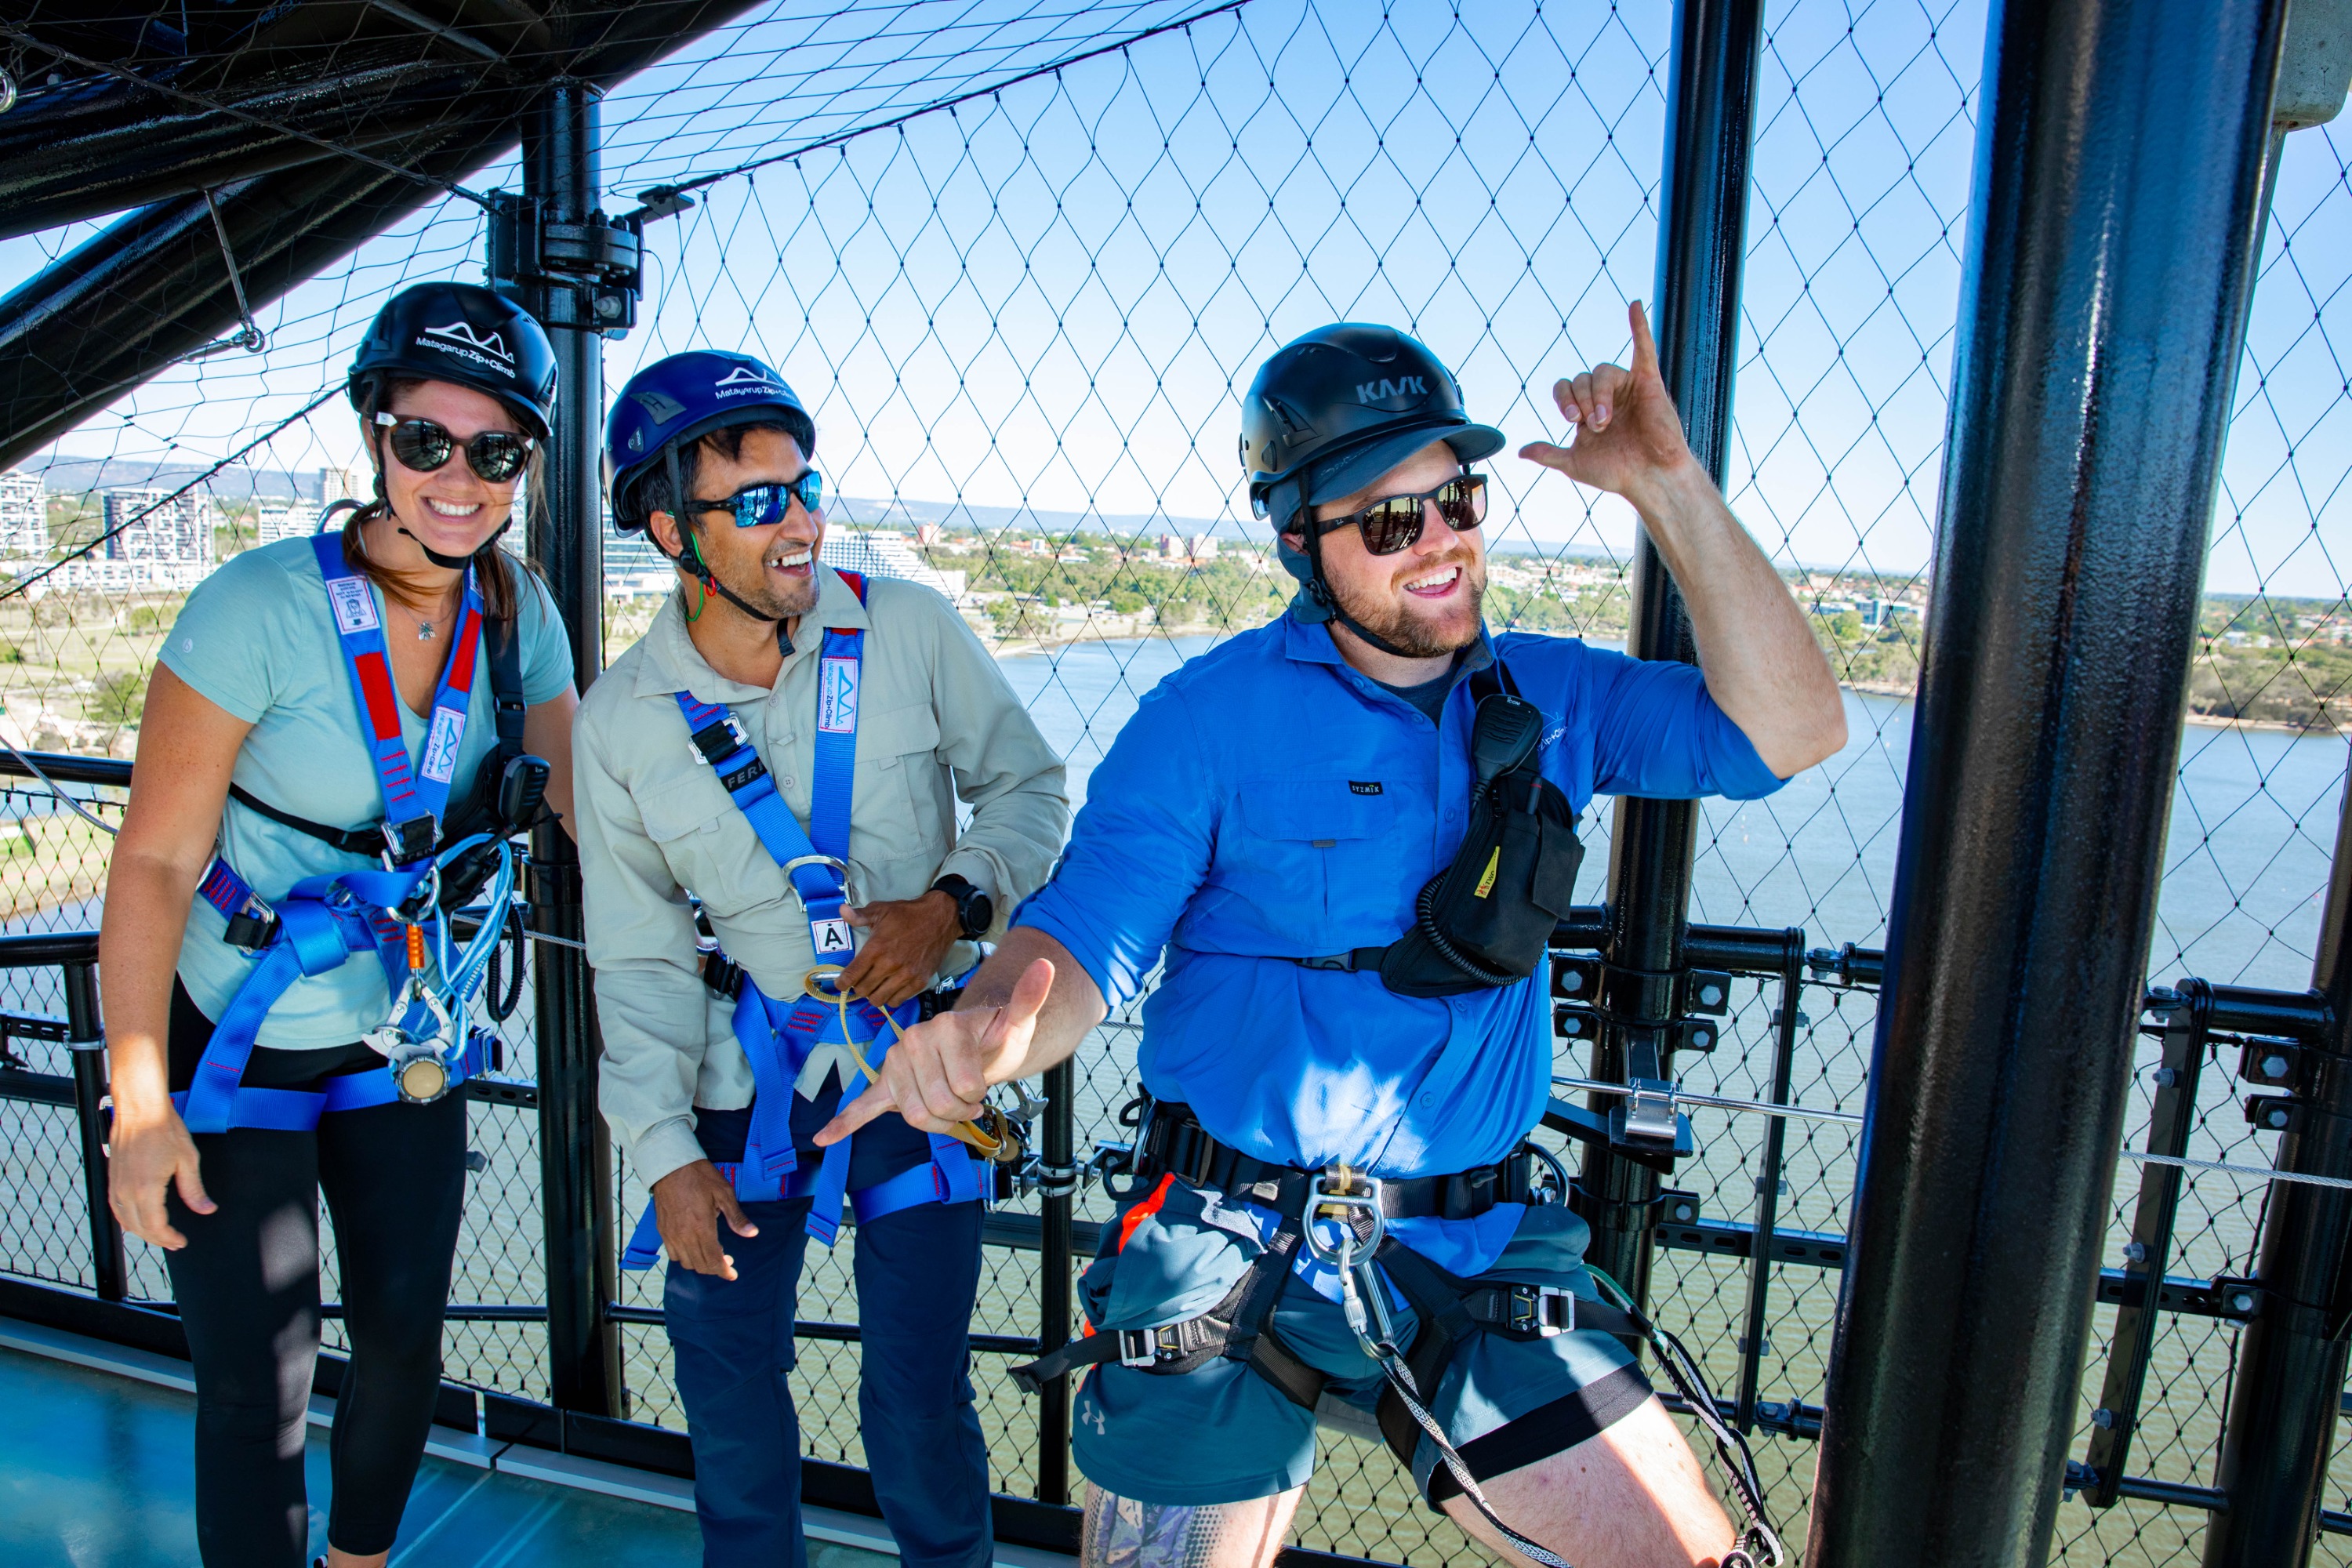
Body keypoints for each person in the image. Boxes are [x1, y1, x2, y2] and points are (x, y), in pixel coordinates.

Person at [821, 304, 1849, 1568]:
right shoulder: (1206, 720)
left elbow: (1792, 732)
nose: (1440, 546)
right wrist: (991, 1026)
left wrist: (1669, 487)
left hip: (1469, 1246)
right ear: (1302, 538)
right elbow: (1085, 936)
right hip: (1220, 1238)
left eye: (1456, 501)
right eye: (1388, 519)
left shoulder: (1556, 697)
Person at [100, 280, 583, 1568]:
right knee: (259, 1383)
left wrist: (749, 934)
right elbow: (150, 862)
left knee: (408, 1346)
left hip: (403, 1032)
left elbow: (591, 807)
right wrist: (137, 1106)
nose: (459, 479)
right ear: (374, 436)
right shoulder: (257, 605)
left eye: (495, 452)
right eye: (426, 441)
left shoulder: (514, 613)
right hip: (237, 1040)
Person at [576, 348, 1069, 1568]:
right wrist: (663, 1157)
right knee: (730, 1389)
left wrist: (952, 904)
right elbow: (635, 958)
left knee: (917, 1396)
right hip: (740, 1098)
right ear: (667, 527)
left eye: (803, 489)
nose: (797, 522)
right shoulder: (625, 722)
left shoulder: (904, 628)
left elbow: (1031, 793)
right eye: (755, 502)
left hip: (919, 1074)